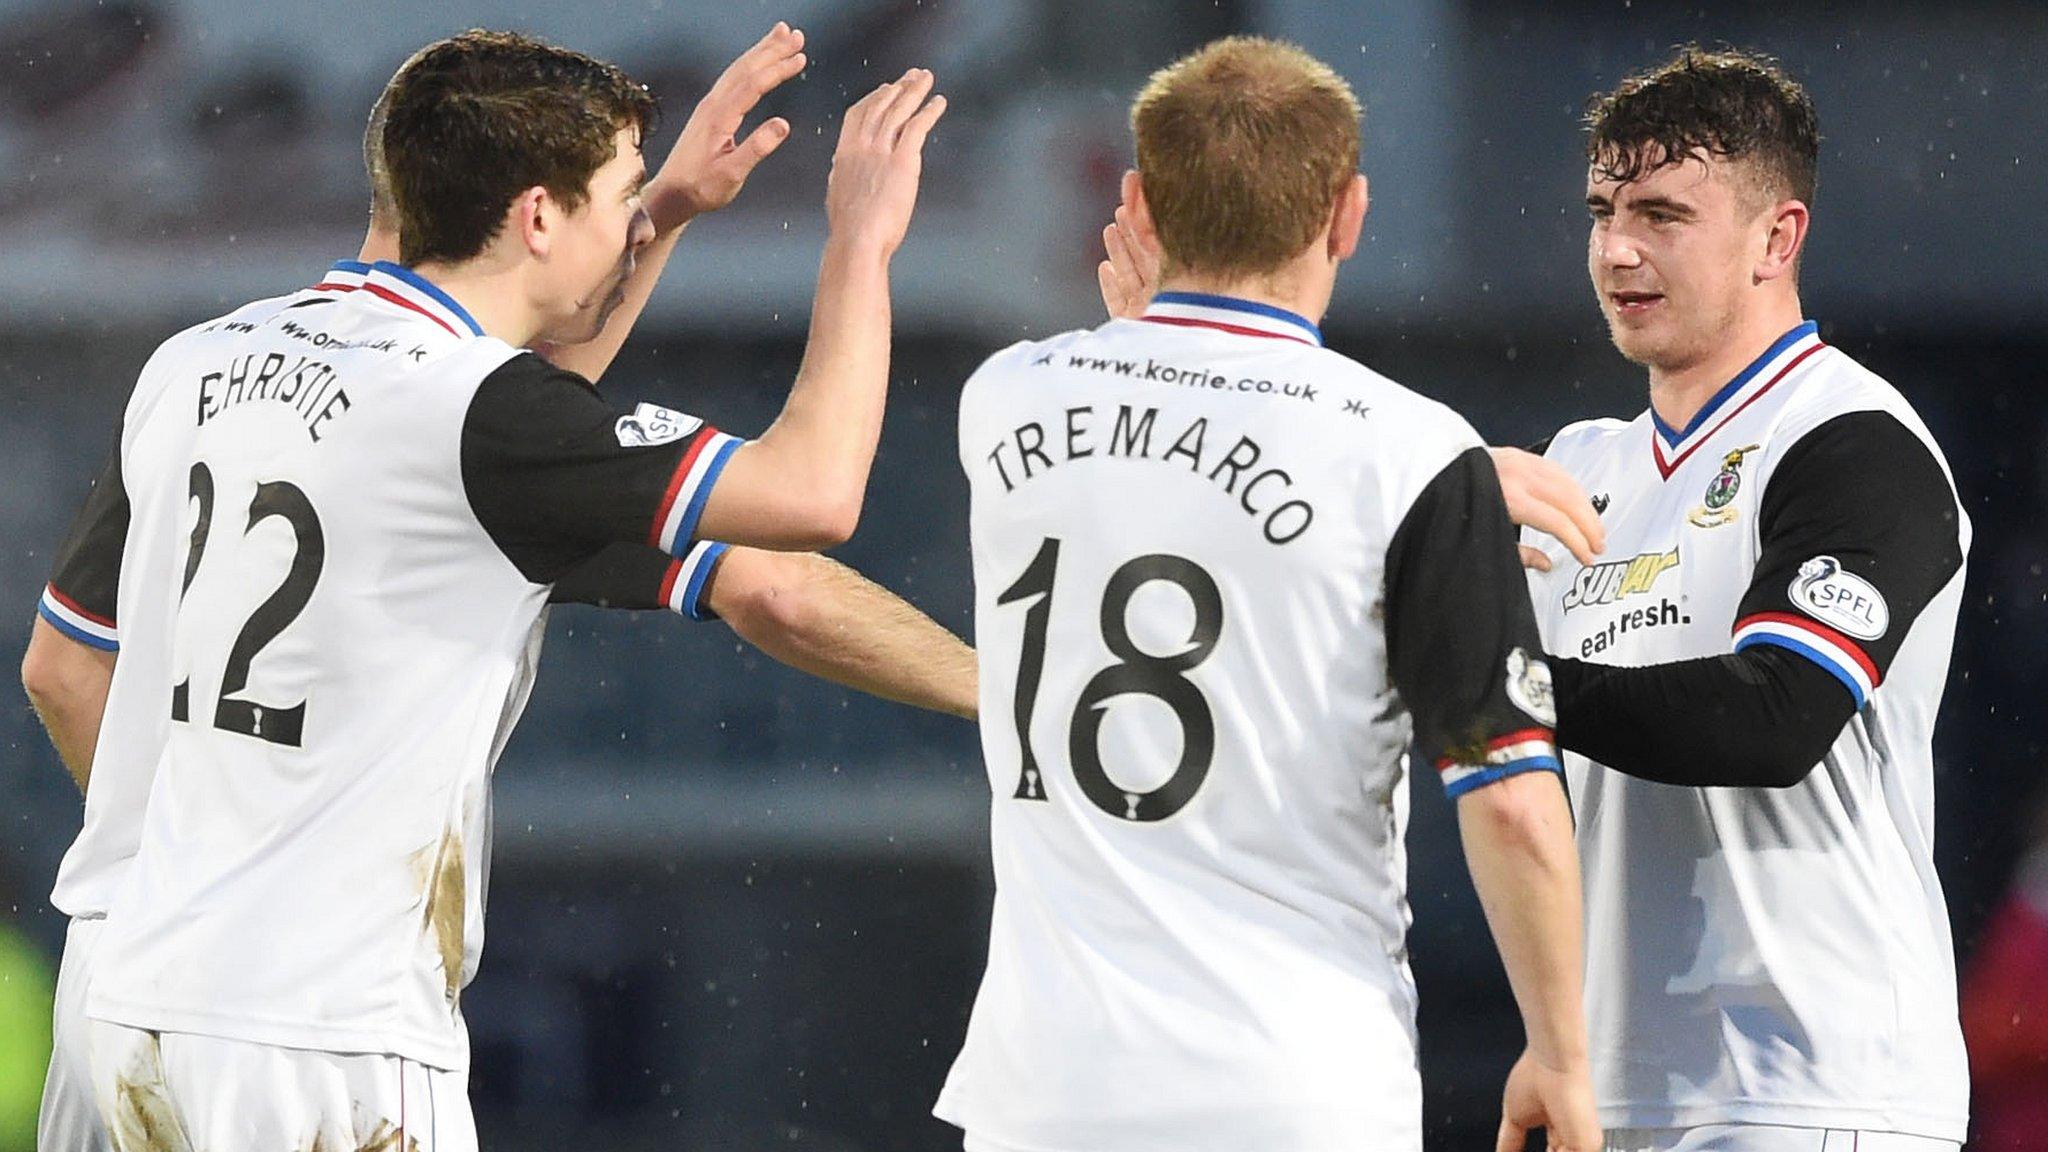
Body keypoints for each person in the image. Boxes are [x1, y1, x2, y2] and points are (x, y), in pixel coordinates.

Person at [22, 26, 976, 1152]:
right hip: (316, 1027)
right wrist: (860, 245)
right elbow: (807, 503)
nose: (632, 217)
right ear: (535, 215)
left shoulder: (194, 363)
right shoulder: (471, 422)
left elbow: (64, 670)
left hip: (115, 991)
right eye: (621, 192)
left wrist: (661, 214)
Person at [935, 37, 1596, 1152]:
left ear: (1135, 203)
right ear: (1348, 214)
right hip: (1290, 1087)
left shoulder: (1002, 399)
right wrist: (1561, 1053)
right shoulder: (1409, 456)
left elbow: (1165, 456)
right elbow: (1512, 802)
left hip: (1044, 1093)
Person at [1511, 47, 1968, 1152]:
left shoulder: (1850, 438)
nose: (1616, 249)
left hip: (1814, 1091)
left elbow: (1774, 719)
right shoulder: (1575, 466)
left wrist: (1490, 680)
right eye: (1600, 211)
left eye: (1662, 214)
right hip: (1614, 1090)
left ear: (1777, 237)